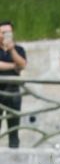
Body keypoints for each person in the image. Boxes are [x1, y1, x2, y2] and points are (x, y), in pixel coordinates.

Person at [0, 20, 27, 148]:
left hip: (13, 93)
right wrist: (13, 66)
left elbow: (22, 65)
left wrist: (11, 50)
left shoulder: (19, 49)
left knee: (14, 130)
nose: (6, 35)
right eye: (3, 32)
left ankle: (14, 156)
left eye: (8, 33)